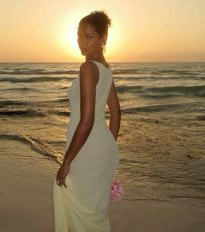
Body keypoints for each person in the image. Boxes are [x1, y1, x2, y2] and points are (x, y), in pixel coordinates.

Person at [53, 10, 121, 232]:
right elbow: (117, 114)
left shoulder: (88, 68)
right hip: (101, 149)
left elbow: (87, 120)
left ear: (102, 39)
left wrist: (66, 161)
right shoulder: (106, 70)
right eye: (79, 35)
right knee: (93, 214)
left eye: (88, 36)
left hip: (86, 151)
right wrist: (108, 147)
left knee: (81, 209)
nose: (81, 42)